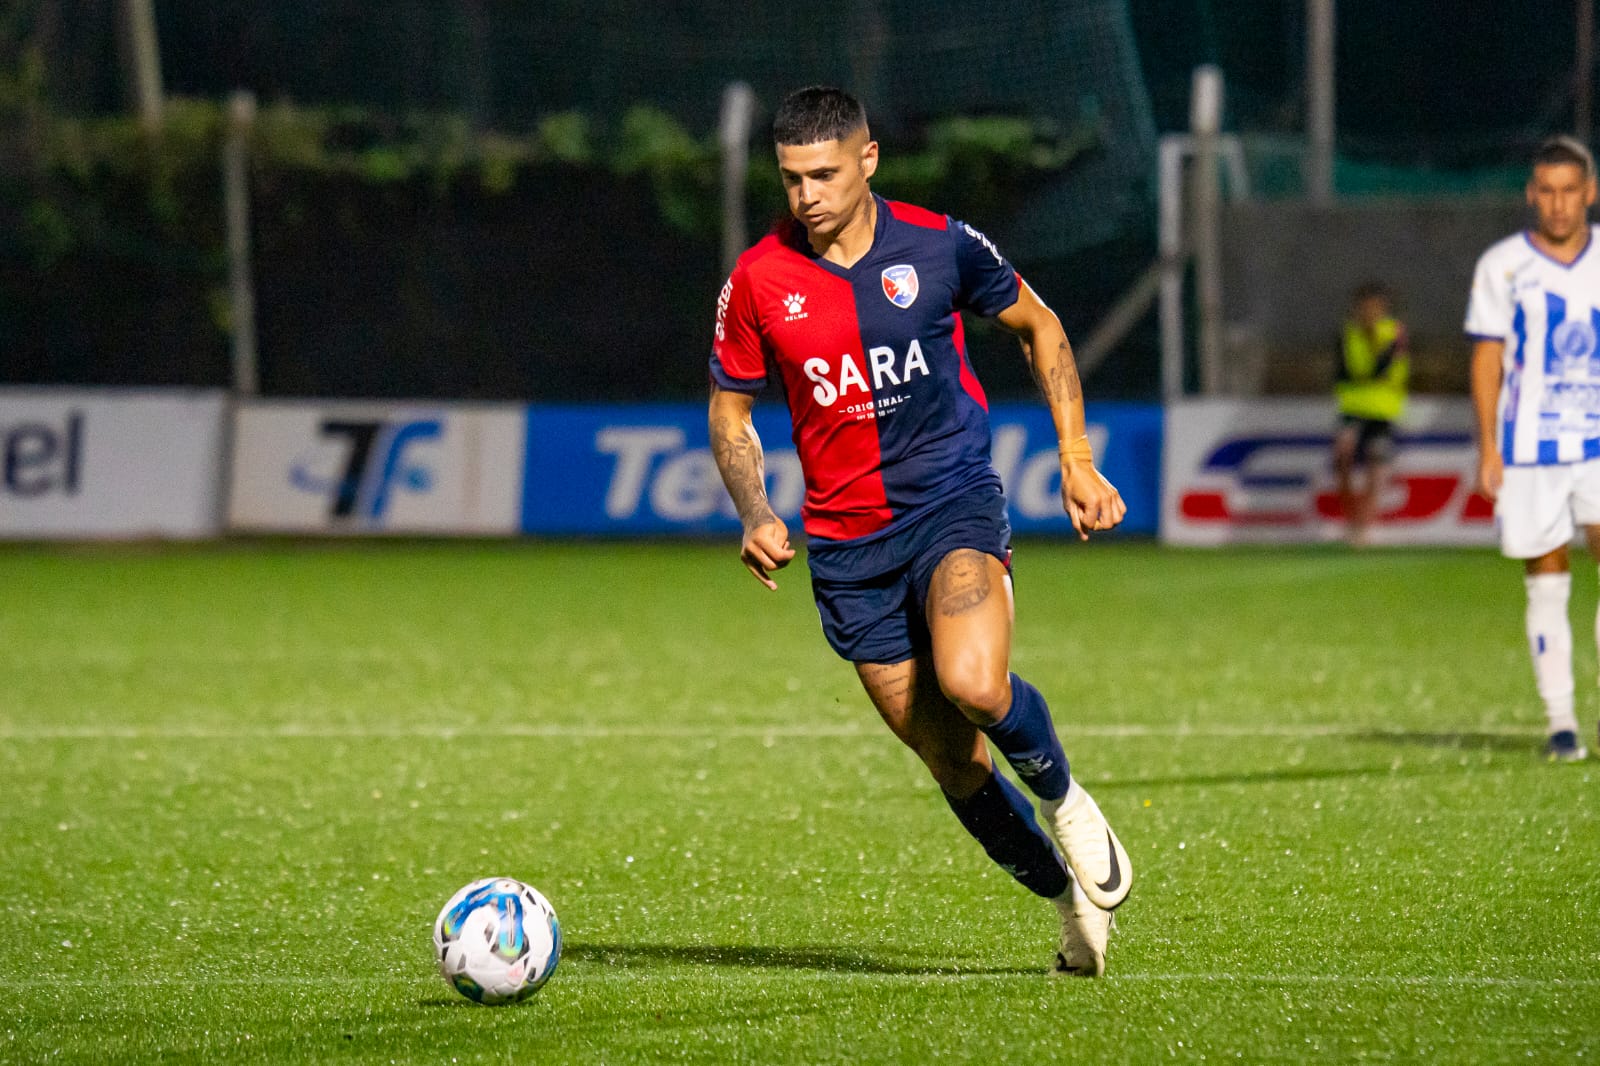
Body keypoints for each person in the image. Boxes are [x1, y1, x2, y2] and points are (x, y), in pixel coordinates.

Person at [706, 86, 1132, 976]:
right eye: (789, 179)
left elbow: (1039, 324)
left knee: (974, 683)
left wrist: (1076, 454)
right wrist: (754, 511)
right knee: (954, 761)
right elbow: (731, 410)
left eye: (823, 174)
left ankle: (1070, 801)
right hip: (849, 550)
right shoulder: (756, 279)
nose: (806, 196)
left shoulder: (939, 244)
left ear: (867, 162)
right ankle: (1067, 905)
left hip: (950, 503)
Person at [1467, 134, 1600, 762]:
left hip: (1598, 444)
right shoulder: (1502, 265)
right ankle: (1562, 724)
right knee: (1547, 583)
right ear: (1532, 195)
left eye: (1569, 191)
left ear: (1589, 193)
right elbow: (1488, 355)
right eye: (1546, 191)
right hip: (1530, 450)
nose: (1558, 204)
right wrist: (1488, 445)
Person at [1332, 282, 1409, 545]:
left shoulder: (1393, 332)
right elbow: (1346, 370)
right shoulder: (1348, 332)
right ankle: (1351, 519)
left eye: (1374, 307)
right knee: (1343, 456)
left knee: (1376, 467)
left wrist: (1373, 340)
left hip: (1382, 409)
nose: (1368, 312)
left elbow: (1383, 368)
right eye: (1364, 307)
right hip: (1352, 406)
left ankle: (1363, 527)